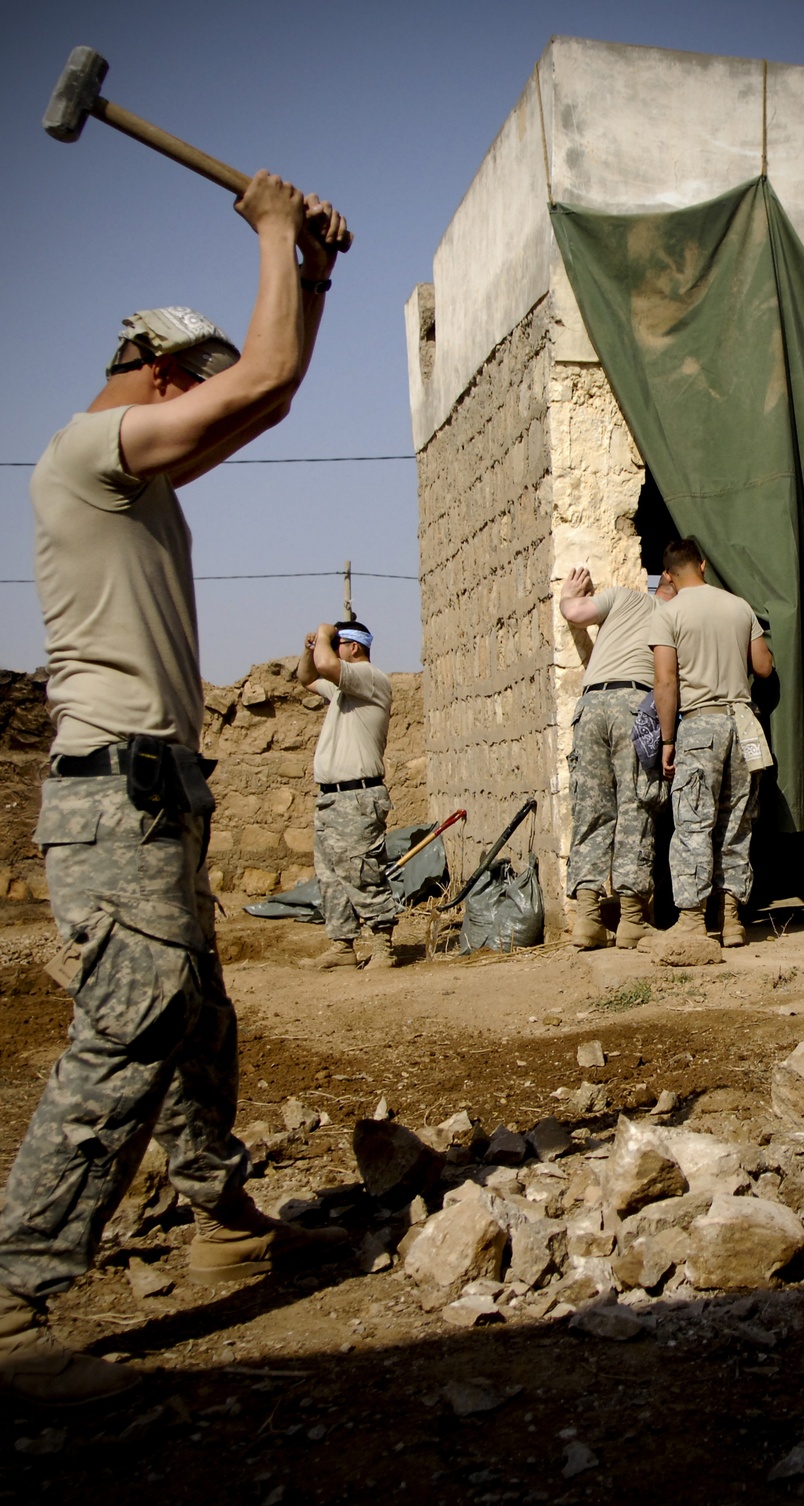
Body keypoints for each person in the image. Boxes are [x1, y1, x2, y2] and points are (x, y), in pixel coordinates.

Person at [0, 172, 351, 1405]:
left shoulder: (140, 475)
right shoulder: (86, 451)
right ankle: (16, 1297)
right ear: (154, 369)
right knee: (134, 1026)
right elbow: (254, 385)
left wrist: (311, 278)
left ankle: (223, 1222)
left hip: (158, 794)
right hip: (114, 792)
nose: (203, 405)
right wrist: (269, 233)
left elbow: (269, 391)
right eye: (190, 384)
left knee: (197, 1018)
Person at [650, 537, 774, 947]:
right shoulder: (739, 606)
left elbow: (666, 681)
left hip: (700, 727)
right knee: (736, 823)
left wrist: (668, 739)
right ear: (702, 565)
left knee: (692, 824)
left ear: (668, 573)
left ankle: (691, 920)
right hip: (743, 726)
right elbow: (763, 666)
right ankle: (732, 920)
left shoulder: (668, 613)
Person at [559, 564, 677, 949]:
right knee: (636, 805)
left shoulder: (621, 596)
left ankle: (588, 920)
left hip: (590, 705)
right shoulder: (674, 618)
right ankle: (630, 920)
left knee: (591, 807)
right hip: (634, 705)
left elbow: (575, 614)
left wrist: (567, 594)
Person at [296, 621, 399, 968]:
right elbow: (308, 677)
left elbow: (326, 666)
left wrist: (324, 633)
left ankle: (383, 945)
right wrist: (311, 647)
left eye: (338, 643)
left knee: (361, 872)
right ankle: (342, 946)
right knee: (331, 877)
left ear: (354, 647)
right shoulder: (343, 689)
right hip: (331, 799)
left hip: (356, 798)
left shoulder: (369, 677)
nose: (332, 648)